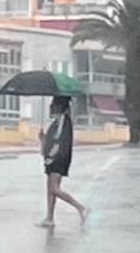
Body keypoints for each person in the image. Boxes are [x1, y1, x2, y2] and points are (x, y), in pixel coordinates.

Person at [39, 96, 88, 228]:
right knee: (50, 190)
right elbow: (51, 141)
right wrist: (43, 139)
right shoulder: (57, 122)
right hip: (52, 159)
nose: (50, 106)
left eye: (53, 104)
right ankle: (49, 218)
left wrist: (51, 155)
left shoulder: (64, 122)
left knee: (54, 189)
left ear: (59, 106)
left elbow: (60, 143)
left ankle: (81, 207)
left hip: (58, 159)